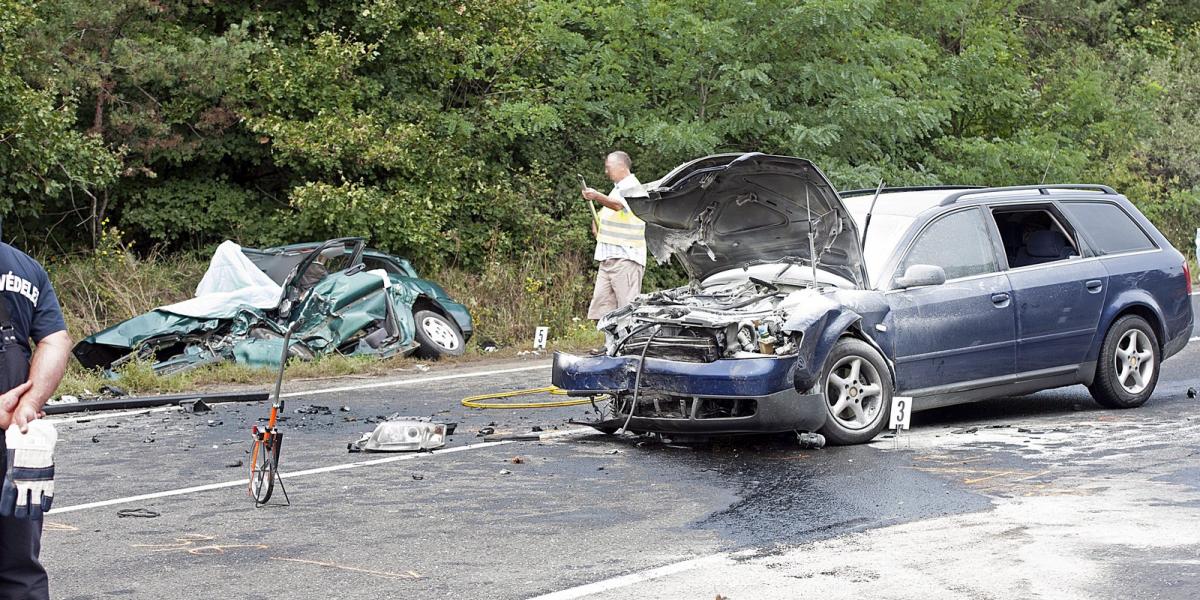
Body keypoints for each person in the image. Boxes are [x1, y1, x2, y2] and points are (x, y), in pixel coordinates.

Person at [0, 234, 72, 600]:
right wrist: (29, 404)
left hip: (14, 432)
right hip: (18, 440)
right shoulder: (26, 268)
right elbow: (55, 340)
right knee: (19, 571)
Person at [582, 151, 647, 321]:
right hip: (608, 258)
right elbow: (609, 212)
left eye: (608, 167)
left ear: (621, 166)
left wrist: (596, 196)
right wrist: (597, 222)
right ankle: (609, 346)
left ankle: (626, 346)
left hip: (626, 258)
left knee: (626, 310)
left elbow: (618, 206)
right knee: (603, 309)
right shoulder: (617, 189)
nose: (606, 172)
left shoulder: (632, 186)